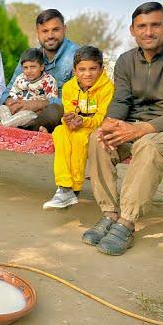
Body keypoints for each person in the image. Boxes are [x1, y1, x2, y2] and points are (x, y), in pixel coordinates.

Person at [82, 2, 163, 256]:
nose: (149, 32)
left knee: (149, 145)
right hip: (130, 124)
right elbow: (121, 101)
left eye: (155, 25)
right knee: (98, 137)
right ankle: (109, 213)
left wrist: (141, 130)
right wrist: (111, 123)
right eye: (142, 26)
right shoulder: (126, 60)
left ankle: (126, 222)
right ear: (132, 30)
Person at [42, 46, 114, 209]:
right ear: (74, 70)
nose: (87, 74)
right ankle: (64, 187)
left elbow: (101, 118)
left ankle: (74, 188)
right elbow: (69, 110)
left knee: (79, 138)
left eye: (93, 69)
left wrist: (82, 121)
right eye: (82, 69)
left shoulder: (107, 88)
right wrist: (69, 120)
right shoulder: (68, 87)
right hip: (77, 125)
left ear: (101, 69)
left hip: (95, 127)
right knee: (60, 131)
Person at [0, 9, 80, 133]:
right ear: (37, 33)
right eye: (44, 31)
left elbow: (79, 98)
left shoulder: (76, 56)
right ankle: (18, 126)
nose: (50, 36)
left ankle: (26, 130)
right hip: (21, 109)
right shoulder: (30, 57)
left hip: (52, 112)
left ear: (64, 29)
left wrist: (40, 103)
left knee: (53, 112)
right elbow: (8, 90)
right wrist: (11, 102)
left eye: (55, 30)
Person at [0, 48, 58, 130]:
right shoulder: (21, 78)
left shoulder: (48, 81)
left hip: (32, 112)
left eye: (33, 67)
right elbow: (13, 92)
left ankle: (4, 125)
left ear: (42, 67)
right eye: (25, 68)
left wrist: (37, 106)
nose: (29, 71)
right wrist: (12, 103)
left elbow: (51, 101)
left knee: (28, 116)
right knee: (2, 108)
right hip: (16, 109)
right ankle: (11, 125)